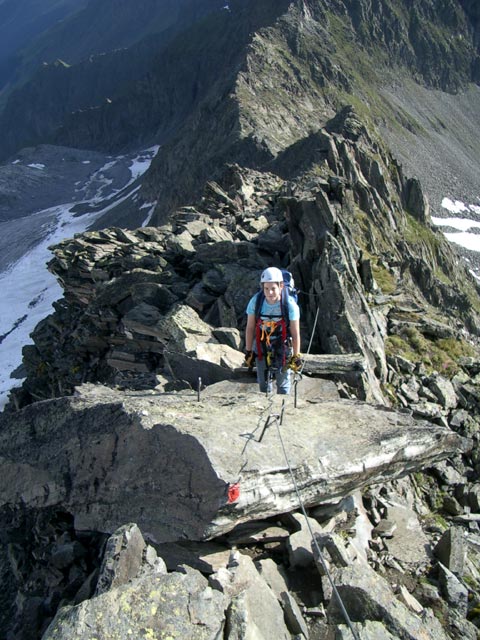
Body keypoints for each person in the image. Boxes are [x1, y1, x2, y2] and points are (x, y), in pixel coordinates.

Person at [244, 267, 301, 394]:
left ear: (281, 286)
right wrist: (249, 351)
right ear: (262, 287)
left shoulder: (290, 305)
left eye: (273, 289)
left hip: (283, 342)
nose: (270, 293)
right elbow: (250, 328)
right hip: (261, 343)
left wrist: (296, 356)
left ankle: (283, 407)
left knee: (283, 380)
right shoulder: (256, 302)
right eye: (266, 289)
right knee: (263, 382)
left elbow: (296, 333)